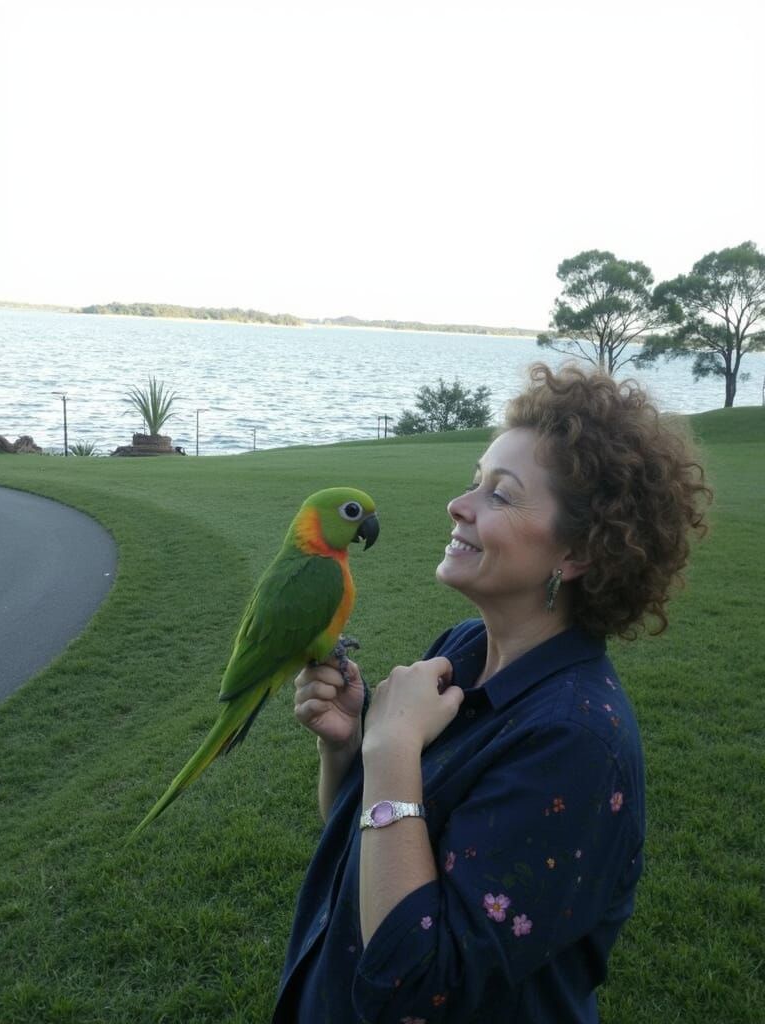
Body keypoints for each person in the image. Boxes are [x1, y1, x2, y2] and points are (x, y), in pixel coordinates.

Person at [274, 363, 711, 1023]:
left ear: (577, 555)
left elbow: (415, 987)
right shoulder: (461, 651)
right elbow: (372, 843)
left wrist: (390, 748)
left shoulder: (577, 745)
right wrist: (348, 749)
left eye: (500, 494)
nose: (459, 504)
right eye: (476, 479)